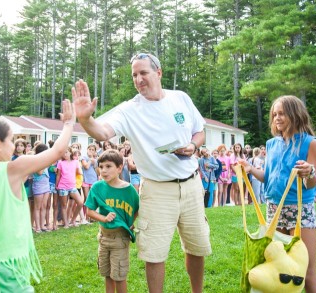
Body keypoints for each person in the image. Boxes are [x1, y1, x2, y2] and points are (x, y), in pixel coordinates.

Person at [72, 53, 211, 293]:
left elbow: (200, 131)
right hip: (157, 190)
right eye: (134, 75)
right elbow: (102, 132)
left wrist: (193, 146)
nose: (138, 79)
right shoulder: (129, 110)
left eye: (143, 73)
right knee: (154, 254)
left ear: (159, 73)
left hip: (191, 184)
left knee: (196, 248)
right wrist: (85, 120)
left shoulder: (181, 98)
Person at [0, 100, 75, 292]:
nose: (13, 146)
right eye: (11, 140)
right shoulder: (11, 169)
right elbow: (57, 151)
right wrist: (69, 124)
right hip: (2, 269)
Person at [240, 95, 316, 293]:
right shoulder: (271, 144)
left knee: (307, 271)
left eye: (282, 113)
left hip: (300, 211)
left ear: (296, 114)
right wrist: (250, 169)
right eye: (274, 114)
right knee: (278, 271)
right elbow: (267, 178)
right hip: (274, 210)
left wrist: (308, 171)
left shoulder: (311, 144)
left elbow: (311, 183)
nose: (277, 118)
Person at [85, 149, 139, 293]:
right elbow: (89, 211)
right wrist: (103, 218)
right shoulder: (97, 187)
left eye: (108, 166)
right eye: (101, 167)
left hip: (120, 239)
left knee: (119, 276)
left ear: (120, 168)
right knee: (107, 274)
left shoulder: (129, 190)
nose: (103, 170)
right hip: (103, 238)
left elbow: (138, 209)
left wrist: (130, 223)